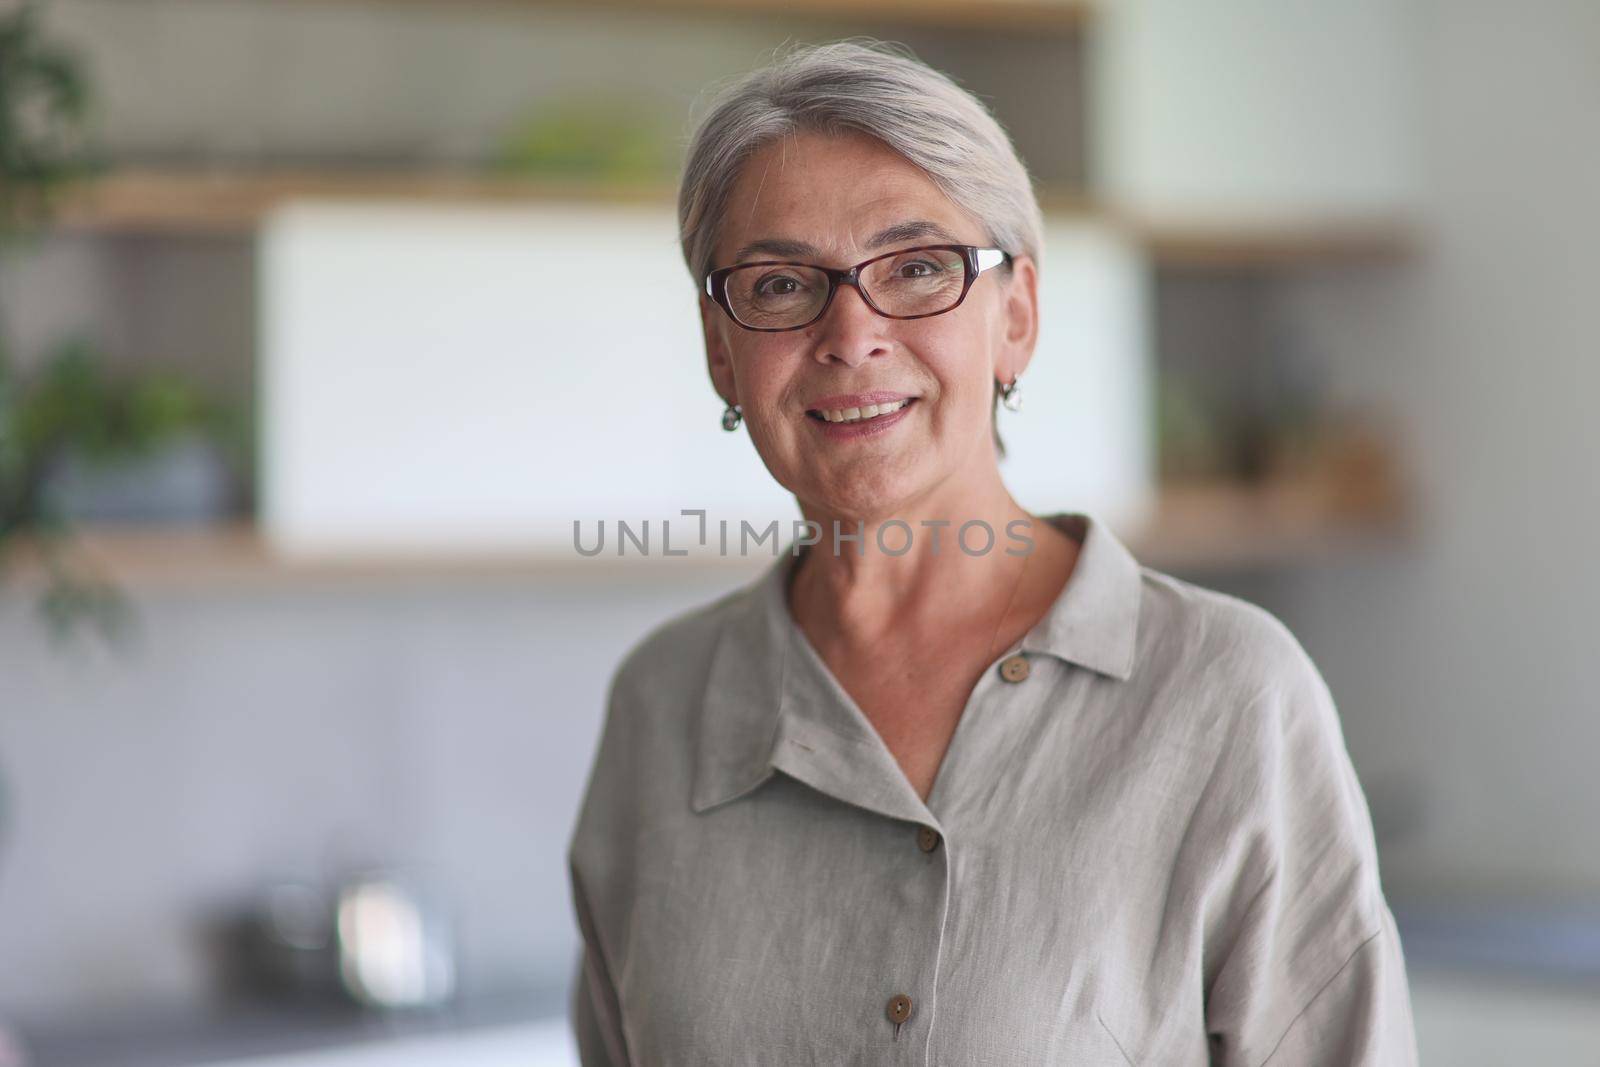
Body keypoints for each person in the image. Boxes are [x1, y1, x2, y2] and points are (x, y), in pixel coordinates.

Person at [565, 38, 1418, 1066]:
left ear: (1015, 316)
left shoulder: (1228, 694)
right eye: (782, 284)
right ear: (720, 349)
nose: (851, 332)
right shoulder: (662, 705)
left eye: (918, 268)